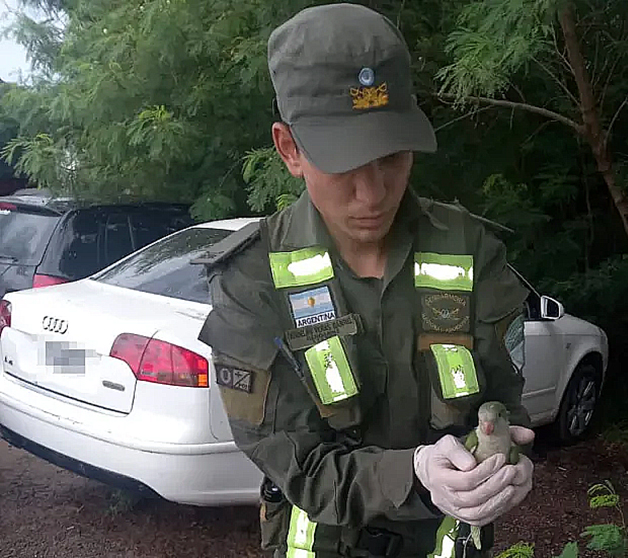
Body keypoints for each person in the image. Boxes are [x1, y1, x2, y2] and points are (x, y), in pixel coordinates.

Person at [196, 4, 535, 557]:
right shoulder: (251, 281)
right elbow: (297, 464)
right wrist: (418, 471)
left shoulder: (471, 250)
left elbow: (502, 407)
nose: (373, 193)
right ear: (289, 149)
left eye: (391, 157)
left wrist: (510, 462)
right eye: (344, 164)